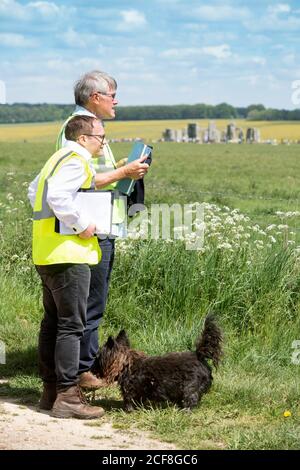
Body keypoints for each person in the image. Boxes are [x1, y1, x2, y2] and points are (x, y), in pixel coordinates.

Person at [28, 115, 148, 418]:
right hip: (69, 254)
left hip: (47, 252)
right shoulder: (76, 160)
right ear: (83, 138)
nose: (103, 143)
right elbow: (57, 197)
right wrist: (81, 224)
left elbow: (35, 192)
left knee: (52, 324)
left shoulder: (56, 158)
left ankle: (51, 392)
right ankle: (68, 397)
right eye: (100, 137)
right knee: (72, 326)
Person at [56, 70, 140, 391]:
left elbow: (94, 172)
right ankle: (81, 373)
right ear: (95, 98)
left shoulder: (90, 130)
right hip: (91, 228)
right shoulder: (78, 130)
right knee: (91, 302)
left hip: (99, 224)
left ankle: (71, 370)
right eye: (112, 95)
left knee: (87, 302)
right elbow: (84, 178)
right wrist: (125, 170)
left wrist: (122, 169)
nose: (116, 101)